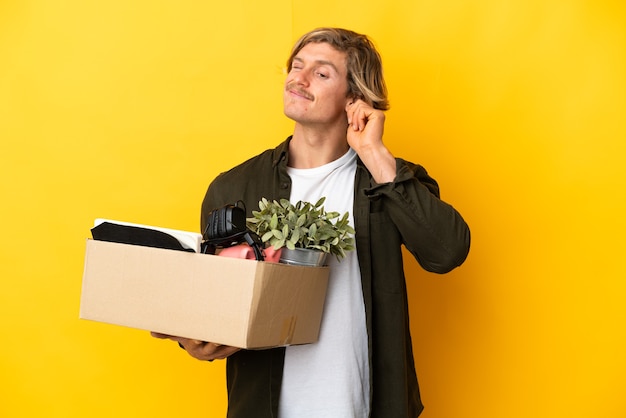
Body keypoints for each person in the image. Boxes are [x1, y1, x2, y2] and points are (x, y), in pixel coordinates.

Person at [152, 27, 470, 418]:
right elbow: (212, 299)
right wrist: (193, 339)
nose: (298, 79)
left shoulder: (386, 178)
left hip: (365, 405)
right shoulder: (235, 187)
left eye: (321, 73)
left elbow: (447, 252)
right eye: (296, 67)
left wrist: (373, 152)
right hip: (265, 407)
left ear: (355, 99)